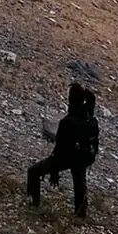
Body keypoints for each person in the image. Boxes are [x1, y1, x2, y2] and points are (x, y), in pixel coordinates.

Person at [27, 82, 100, 217]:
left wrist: (54, 172)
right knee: (79, 179)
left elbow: (59, 149)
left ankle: (33, 204)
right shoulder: (91, 120)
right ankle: (80, 213)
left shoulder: (68, 122)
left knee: (33, 172)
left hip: (67, 157)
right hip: (83, 157)